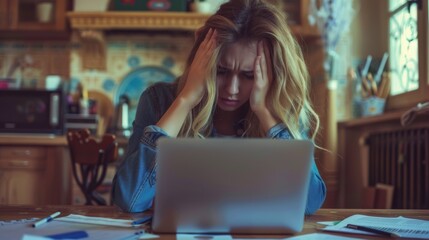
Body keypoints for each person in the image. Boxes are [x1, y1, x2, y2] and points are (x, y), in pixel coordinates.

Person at [112, 0, 326, 214]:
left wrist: (265, 113)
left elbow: (309, 203)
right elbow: (130, 199)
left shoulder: (282, 107)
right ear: (202, 60)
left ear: (273, 73)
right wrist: (185, 100)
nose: (232, 89)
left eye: (248, 75)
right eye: (221, 71)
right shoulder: (158, 100)